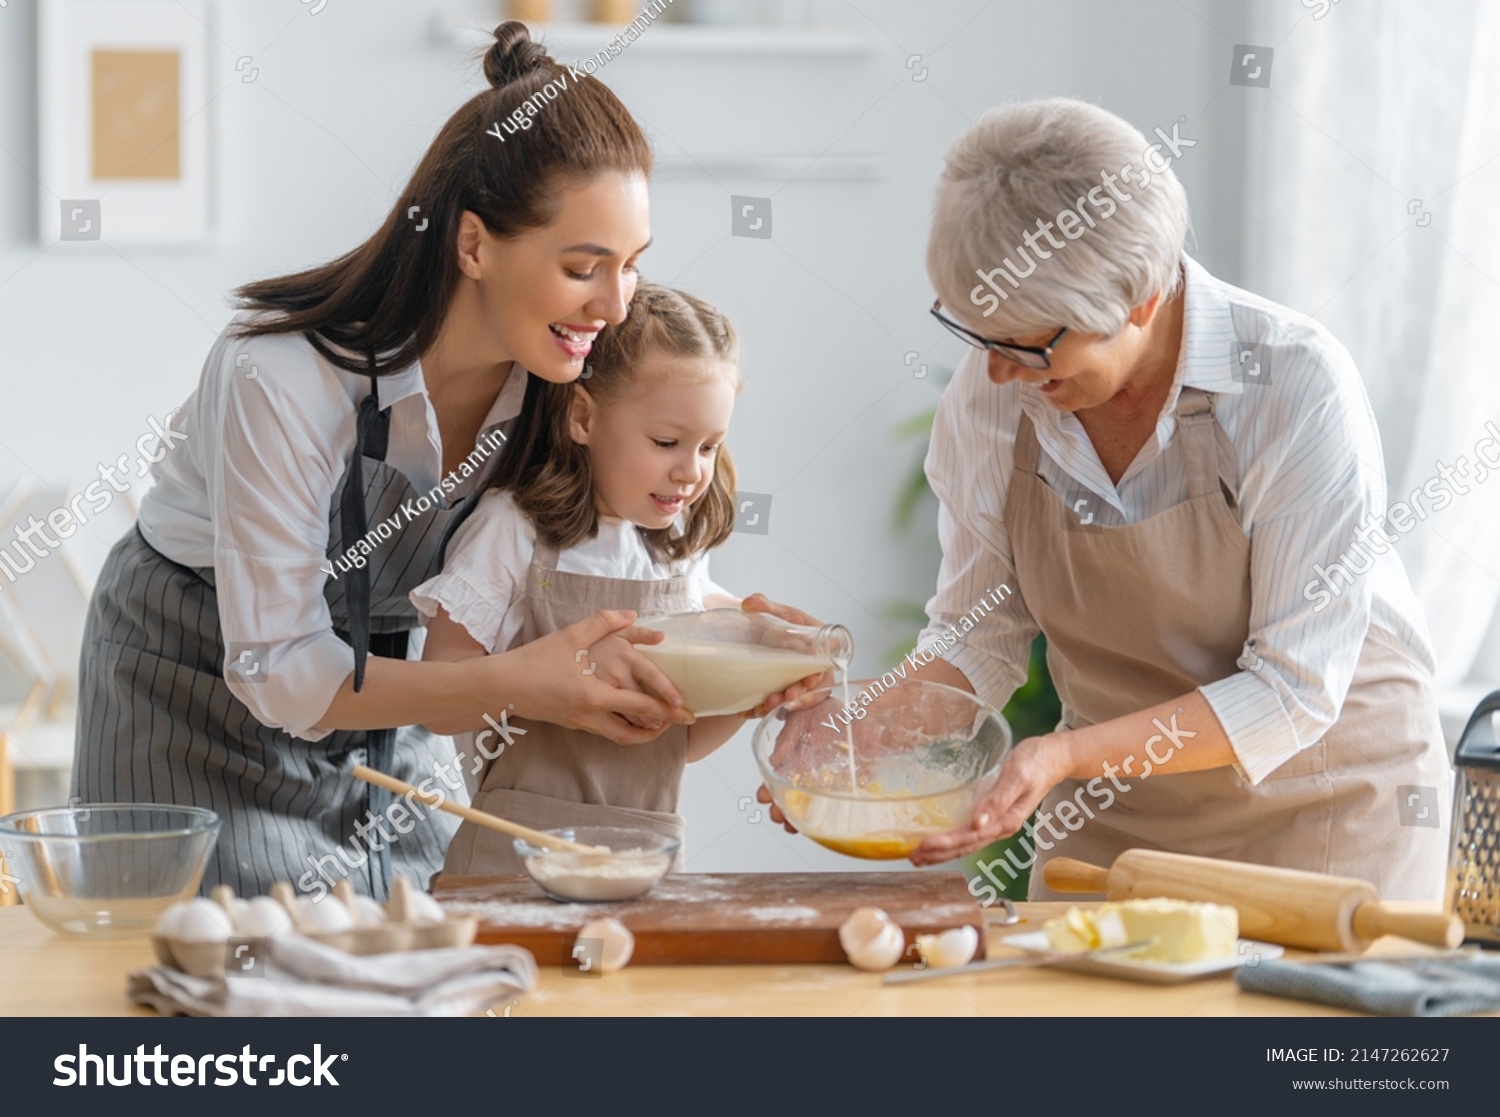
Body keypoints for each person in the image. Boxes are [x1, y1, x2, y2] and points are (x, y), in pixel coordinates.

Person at [70, 24, 705, 899]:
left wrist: (744, 641)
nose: (614, 304)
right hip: (195, 678)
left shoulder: (564, 381)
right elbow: (282, 670)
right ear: (475, 244)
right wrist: (519, 685)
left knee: (425, 943)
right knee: (224, 970)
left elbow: (627, 526)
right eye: (583, 267)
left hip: (392, 684)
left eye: (632, 267)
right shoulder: (281, 376)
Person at [784, 98, 1451, 901]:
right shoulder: (995, 396)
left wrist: (1066, 755)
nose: (995, 372)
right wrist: (855, 735)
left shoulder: (1291, 384)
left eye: (1028, 344)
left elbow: (1293, 690)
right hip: (1115, 820)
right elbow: (983, 634)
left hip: (1326, 811)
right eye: (978, 335)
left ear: (1140, 299)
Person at [414, 283, 760, 873]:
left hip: (647, 864)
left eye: (710, 446)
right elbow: (440, 703)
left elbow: (679, 745)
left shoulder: (677, 560)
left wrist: (756, 691)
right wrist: (553, 679)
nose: (691, 471)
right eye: (666, 442)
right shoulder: (513, 531)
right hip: (513, 862)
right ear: (582, 417)